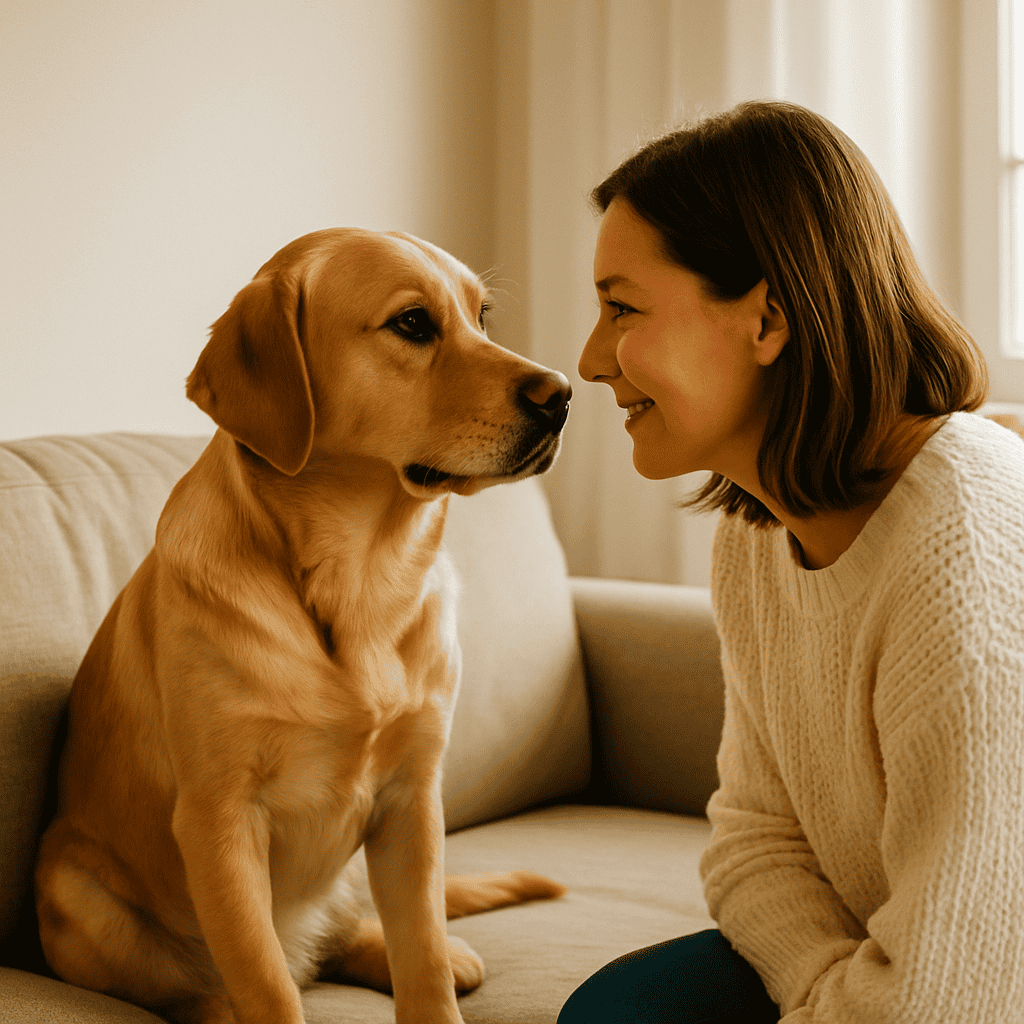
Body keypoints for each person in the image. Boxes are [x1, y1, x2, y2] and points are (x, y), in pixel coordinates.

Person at [560, 100, 1024, 1022]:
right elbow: (754, 838)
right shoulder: (759, 535)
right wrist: (820, 991)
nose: (589, 360)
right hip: (878, 960)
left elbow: (952, 1002)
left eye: (622, 309)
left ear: (767, 318)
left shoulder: (964, 560)